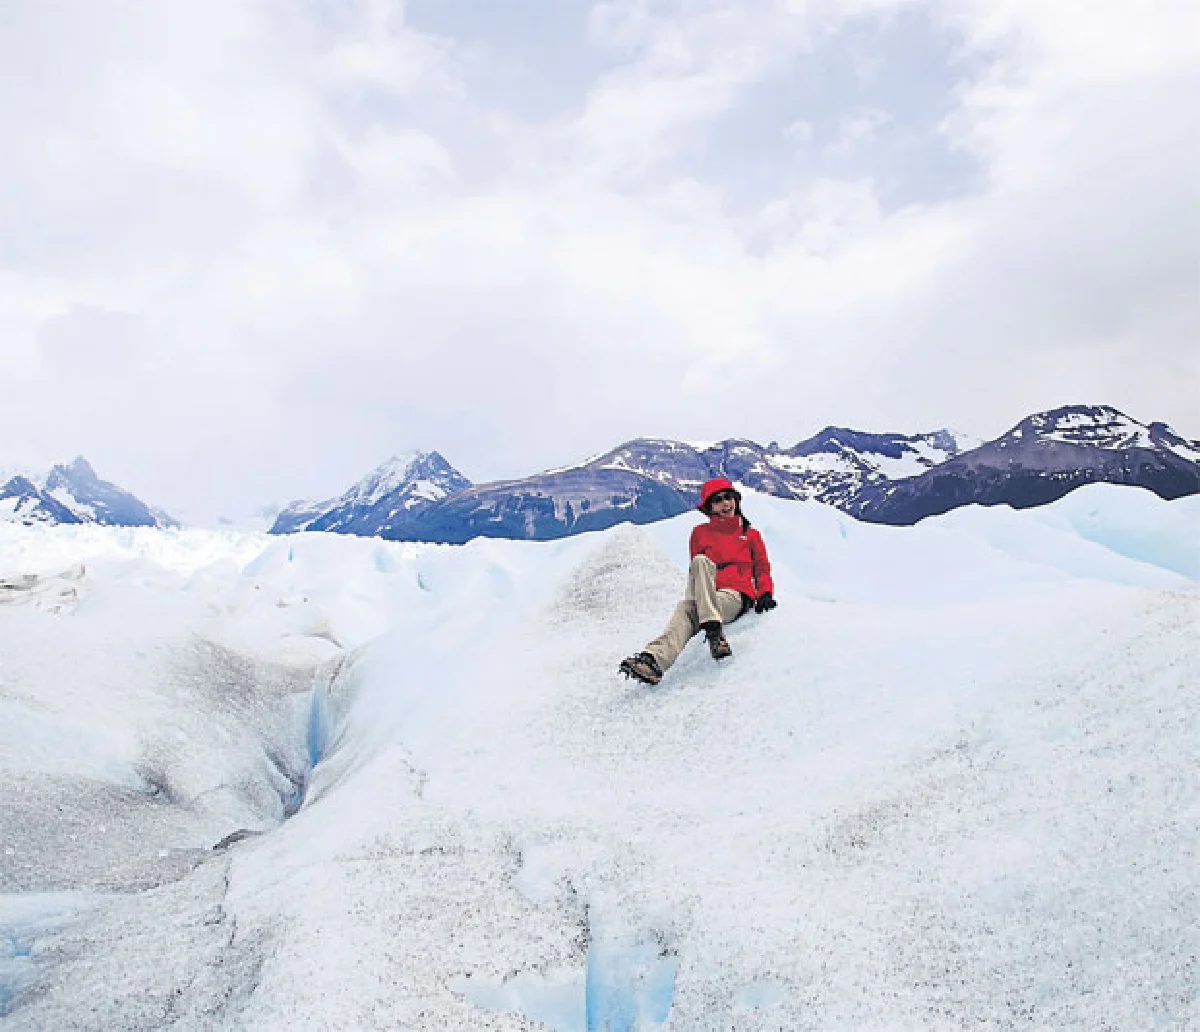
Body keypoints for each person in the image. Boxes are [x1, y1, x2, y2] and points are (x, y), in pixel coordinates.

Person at [619, 477, 776, 685]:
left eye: (728, 497)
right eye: (718, 500)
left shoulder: (751, 535)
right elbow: (697, 572)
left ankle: (712, 631)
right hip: (706, 593)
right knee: (693, 583)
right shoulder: (700, 533)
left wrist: (765, 593)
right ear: (710, 508)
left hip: (735, 596)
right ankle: (653, 660)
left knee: (689, 605)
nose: (725, 503)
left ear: (736, 500)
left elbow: (762, 569)